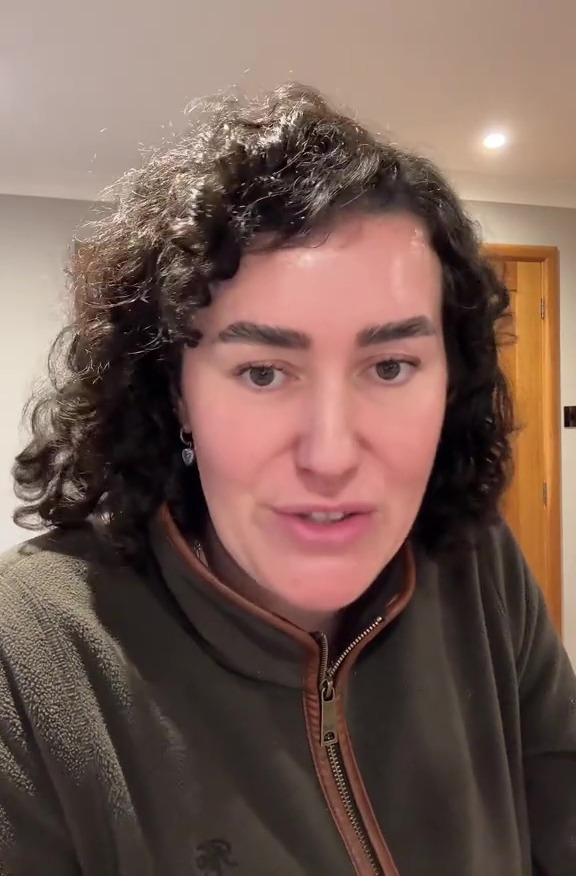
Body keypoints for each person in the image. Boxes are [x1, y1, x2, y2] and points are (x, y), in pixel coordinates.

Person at [1, 83, 574, 876]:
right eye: (264, 372)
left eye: (392, 365)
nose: (331, 454)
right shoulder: (28, 656)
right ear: (176, 391)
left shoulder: (479, 563)